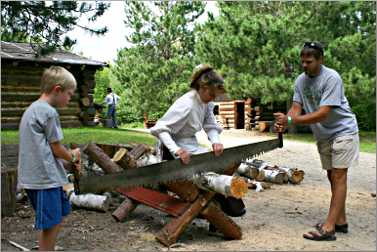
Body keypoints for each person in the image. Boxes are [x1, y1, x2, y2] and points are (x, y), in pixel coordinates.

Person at [274, 42, 359, 241]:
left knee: (339, 176)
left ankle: (329, 228)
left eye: (309, 61)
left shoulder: (332, 78)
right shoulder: (300, 81)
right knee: (332, 176)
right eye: (302, 61)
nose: (304, 65)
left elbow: (323, 113)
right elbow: (296, 108)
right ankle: (341, 221)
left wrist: (293, 120)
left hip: (343, 130)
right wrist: (285, 122)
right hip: (324, 135)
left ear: (320, 60)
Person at [150, 64, 246, 232]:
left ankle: (225, 211)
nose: (213, 98)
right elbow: (160, 129)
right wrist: (176, 150)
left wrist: (215, 141)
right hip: (172, 150)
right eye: (211, 93)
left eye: (215, 95)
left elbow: (210, 124)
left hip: (190, 146)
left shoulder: (207, 101)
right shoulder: (186, 103)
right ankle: (220, 212)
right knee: (206, 176)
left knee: (217, 169)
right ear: (202, 87)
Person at [18, 66, 81, 251]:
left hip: (40, 177)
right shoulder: (49, 112)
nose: (70, 99)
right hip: (44, 179)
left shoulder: (33, 109)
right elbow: (56, 147)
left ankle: (47, 247)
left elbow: (43, 147)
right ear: (57, 90)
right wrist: (72, 157)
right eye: (69, 94)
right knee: (51, 222)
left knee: (56, 216)